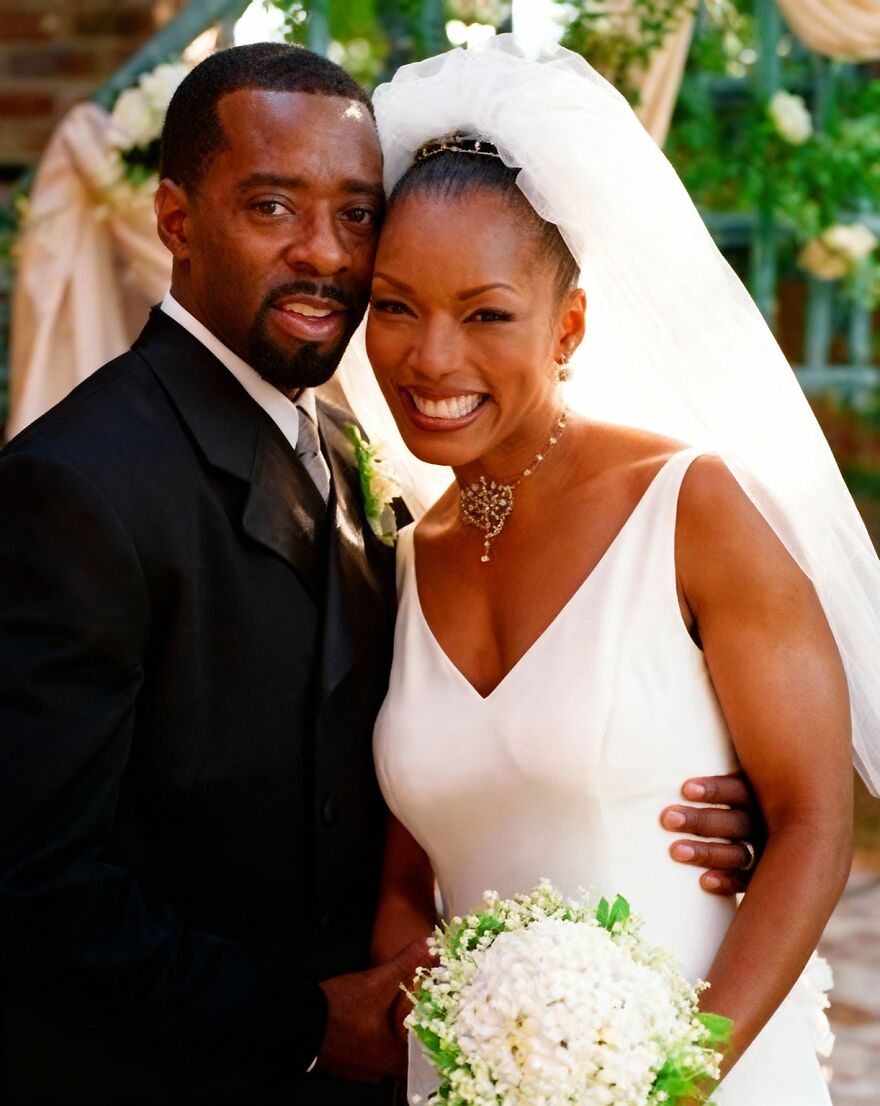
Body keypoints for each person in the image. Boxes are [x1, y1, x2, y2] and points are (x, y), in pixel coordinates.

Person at [0, 42, 762, 1106]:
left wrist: (684, 800)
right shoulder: (75, 488)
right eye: (272, 207)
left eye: (356, 213)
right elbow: (29, 885)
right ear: (177, 219)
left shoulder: (364, 457)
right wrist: (310, 1022)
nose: (325, 253)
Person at [362, 37, 880, 1104]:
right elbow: (410, 876)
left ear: (571, 326)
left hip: (697, 1074)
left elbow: (813, 822)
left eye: (486, 312)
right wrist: (442, 1047)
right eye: (395, 303)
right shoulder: (410, 552)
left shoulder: (692, 508)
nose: (430, 357)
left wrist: (675, 1079)